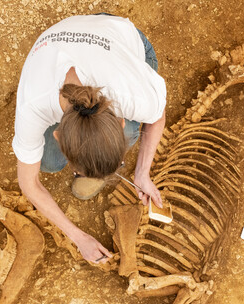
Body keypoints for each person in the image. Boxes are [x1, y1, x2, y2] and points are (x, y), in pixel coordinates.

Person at [13, 14, 166, 265]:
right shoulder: (34, 103)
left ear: (118, 120)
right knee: (49, 162)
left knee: (129, 136)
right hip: (55, 44)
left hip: (118, 37)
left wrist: (142, 173)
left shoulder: (133, 93)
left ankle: (97, 163)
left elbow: (157, 117)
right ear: (59, 134)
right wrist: (78, 236)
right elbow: (28, 183)